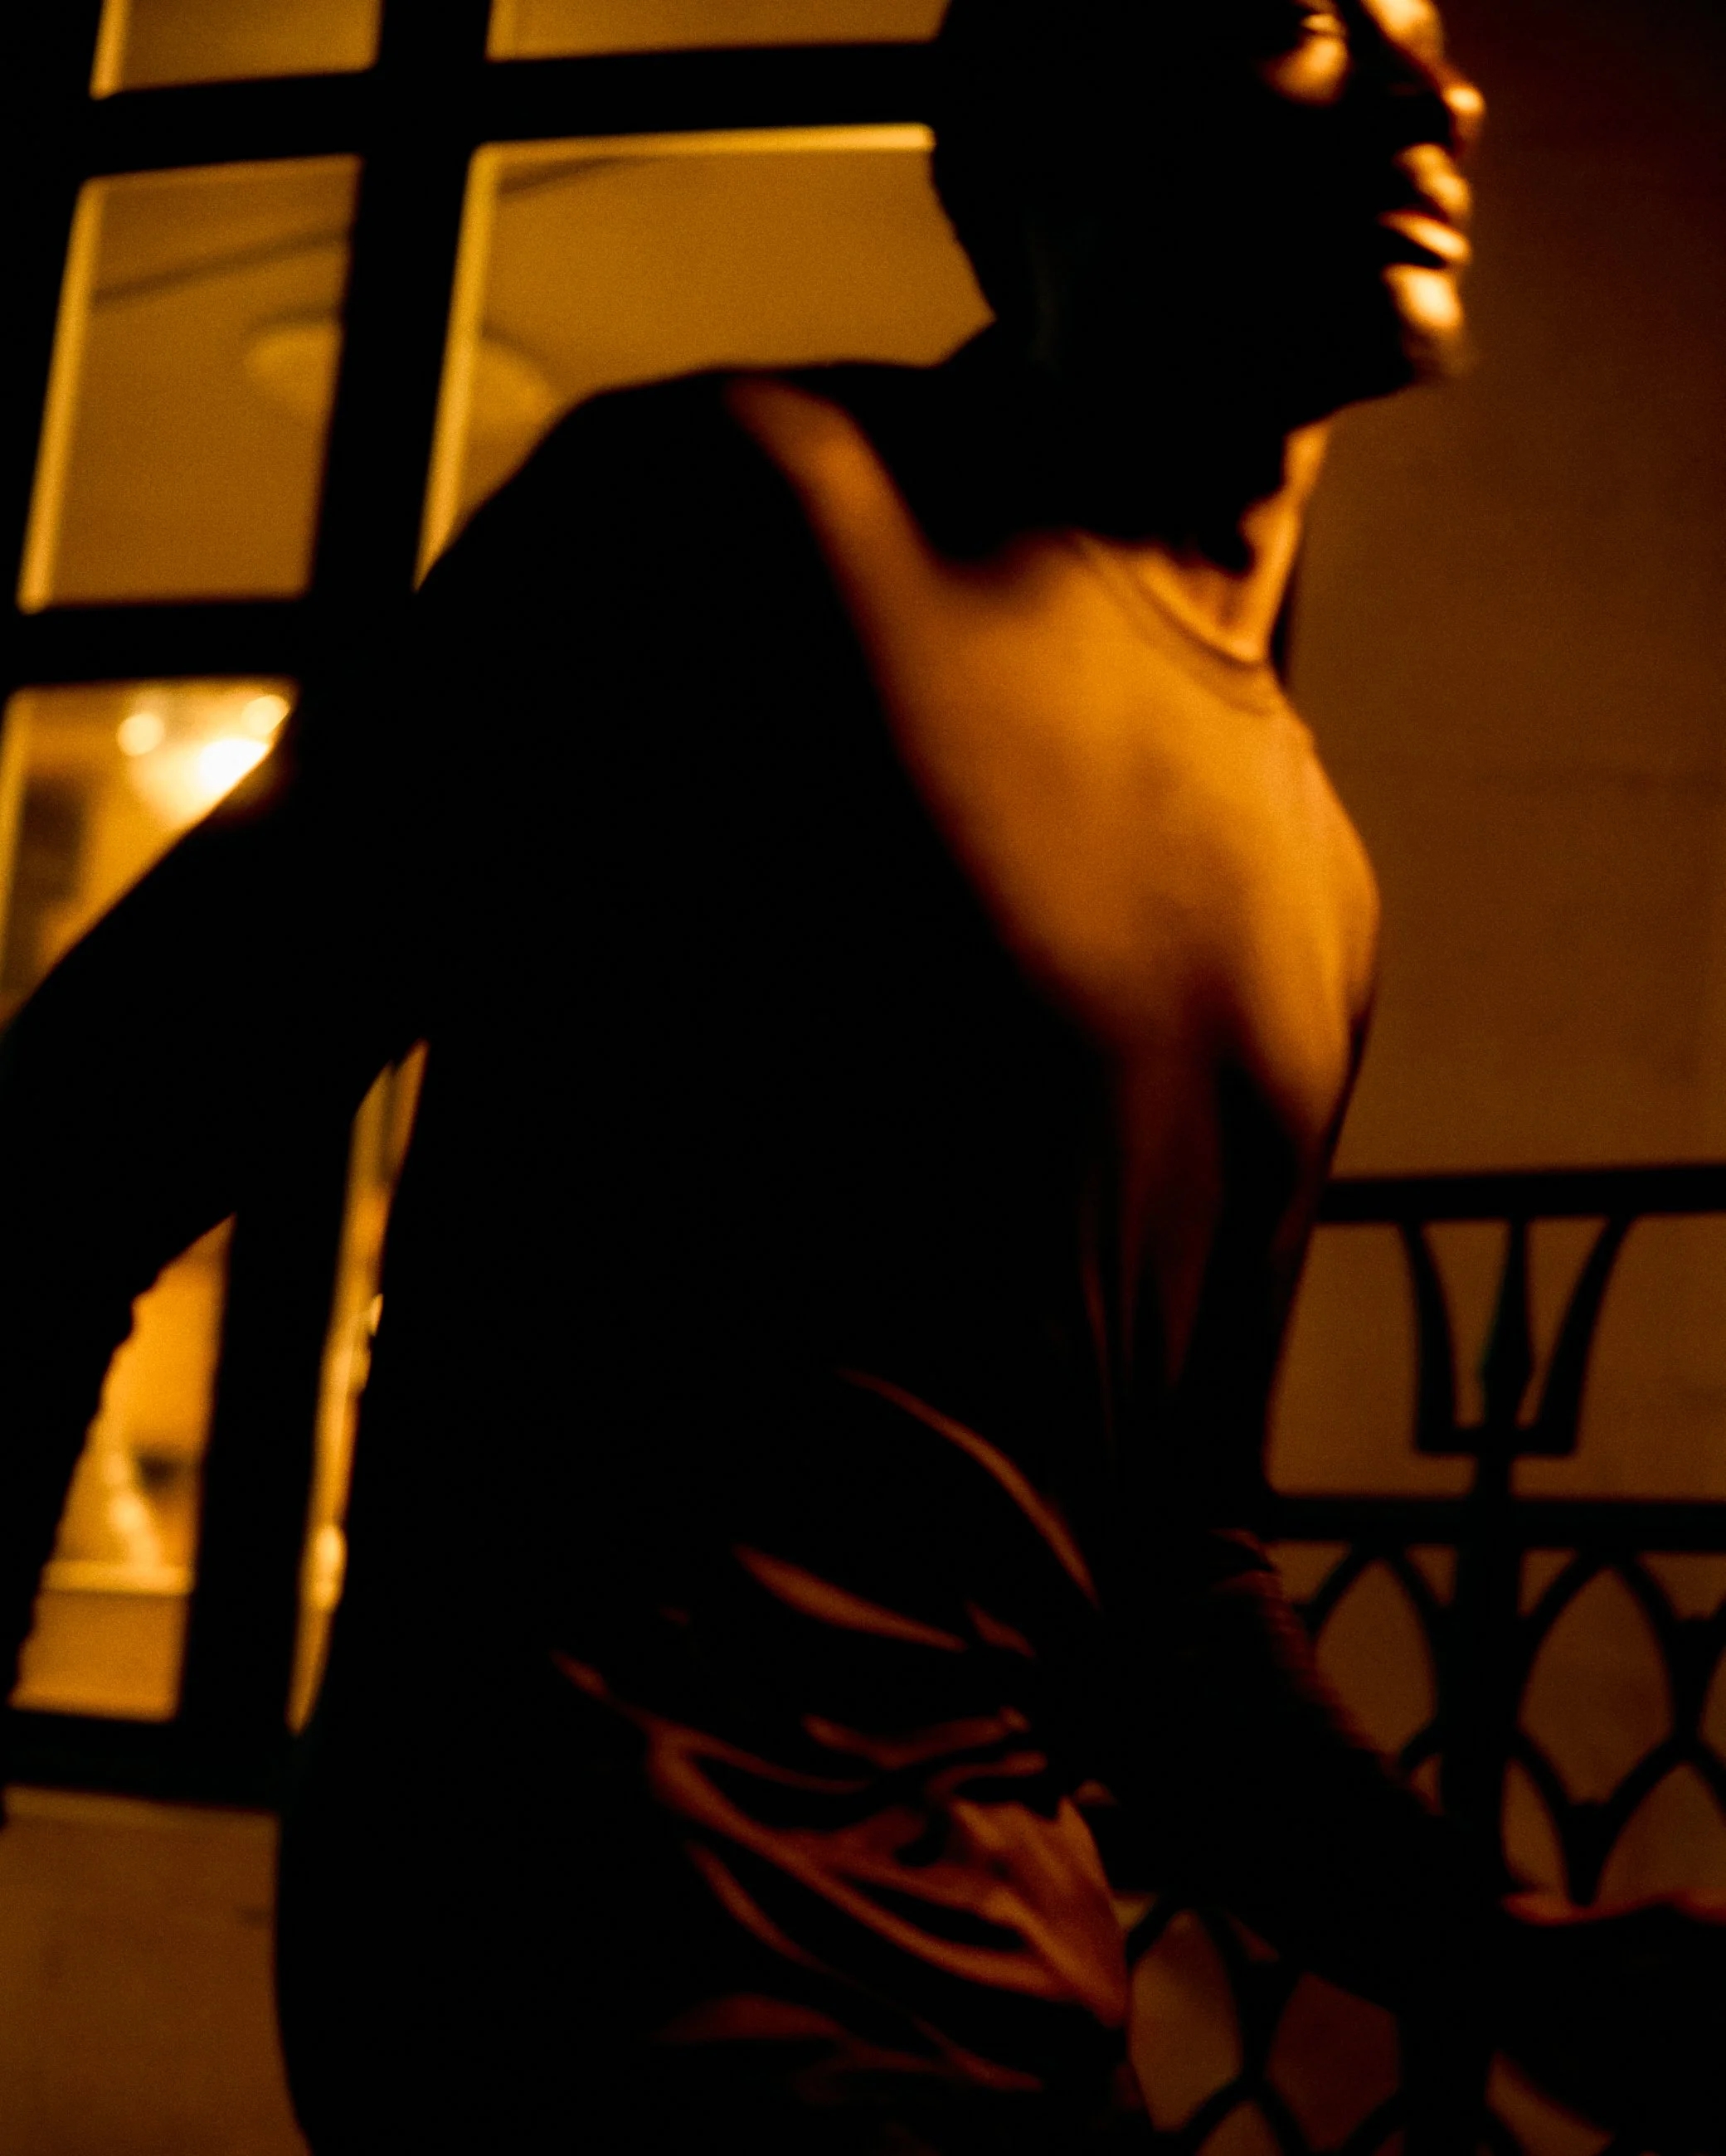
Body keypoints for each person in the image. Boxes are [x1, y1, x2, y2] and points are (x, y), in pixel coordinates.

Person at [1, 2, 1723, 2150]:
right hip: (605, 1976)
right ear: (1049, 131)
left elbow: (1166, 1584)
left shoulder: (1309, 856)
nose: (1429, 90)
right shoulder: (733, 520)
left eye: (1433, 29)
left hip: (1009, 2006)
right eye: (1298, 13)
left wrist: (1507, 1953)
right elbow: (76, 1144)